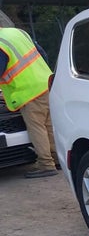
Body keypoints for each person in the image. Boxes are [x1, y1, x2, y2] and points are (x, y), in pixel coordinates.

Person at [0, 26, 58, 178]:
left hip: (29, 90)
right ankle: (57, 158)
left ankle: (46, 164)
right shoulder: (18, 32)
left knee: (37, 128)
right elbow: (42, 54)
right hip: (46, 82)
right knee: (49, 125)